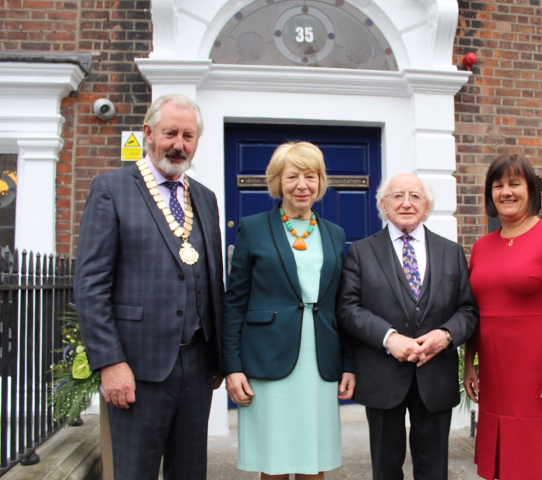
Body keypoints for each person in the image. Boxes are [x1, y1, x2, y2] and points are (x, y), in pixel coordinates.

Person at [75, 93, 225, 479]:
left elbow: (213, 280)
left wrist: (221, 357)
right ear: (148, 132)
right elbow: (91, 285)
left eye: (188, 136)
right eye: (170, 133)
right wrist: (110, 363)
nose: (179, 144)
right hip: (136, 368)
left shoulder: (205, 199)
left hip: (197, 365)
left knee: (190, 472)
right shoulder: (111, 188)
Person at [222, 141, 355, 480]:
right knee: (275, 459)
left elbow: (343, 306)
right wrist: (232, 367)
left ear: (320, 181)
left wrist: (349, 365)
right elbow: (234, 302)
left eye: (310, 176)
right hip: (267, 358)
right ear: (278, 181)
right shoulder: (253, 228)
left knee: (315, 458)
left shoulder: (335, 235)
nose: (302, 185)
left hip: (320, 358)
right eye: (292, 176)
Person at [337, 173, 479, 480]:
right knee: (386, 469)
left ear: (427, 207)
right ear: (383, 206)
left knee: (434, 469)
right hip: (381, 376)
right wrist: (389, 338)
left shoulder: (451, 252)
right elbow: (348, 309)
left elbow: (468, 310)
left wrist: (445, 335)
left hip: (435, 376)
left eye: (415, 196)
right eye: (397, 196)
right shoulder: (361, 252)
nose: (406, 203)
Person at [463, 153, 542, 480]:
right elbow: (475, 310)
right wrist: (469, 363)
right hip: (496, 372)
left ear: (530, 190)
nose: (506, 192)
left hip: (538, 370)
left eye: (515, 184)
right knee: (503, 464)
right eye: (498, 185)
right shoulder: (481, 247)